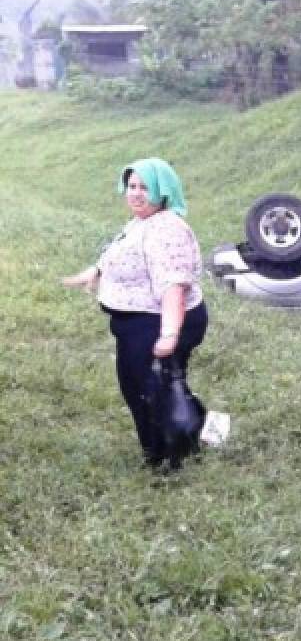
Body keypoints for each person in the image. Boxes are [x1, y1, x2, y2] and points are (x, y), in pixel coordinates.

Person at [62, 157, 211, 471]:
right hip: (140, 322)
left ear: (163, 190)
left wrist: (169, 334)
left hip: (156, 321)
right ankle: (180, 441)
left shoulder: (166, 228)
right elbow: (122, 251)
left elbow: (174, 287)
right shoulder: (142, 222)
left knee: (151, 389)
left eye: (145, 187)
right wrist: (96, 271)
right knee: (153, 384)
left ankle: (168, 460)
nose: (136, 194)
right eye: (131, 186)